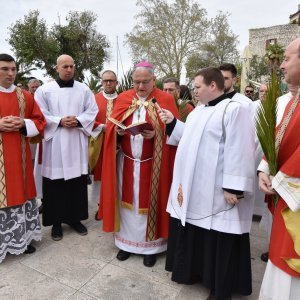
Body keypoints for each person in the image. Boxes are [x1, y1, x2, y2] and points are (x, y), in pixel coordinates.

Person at [160, 67, 256, 299]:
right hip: (194, 187)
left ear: (213, 86)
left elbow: (241, 148)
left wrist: (233, 186)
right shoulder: (197, 111)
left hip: (217, 190)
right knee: (197, 231)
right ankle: (194, 272)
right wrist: (173, 122)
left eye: (198, 86)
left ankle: (219, 285)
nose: (194, 91)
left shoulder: (235, 110)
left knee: (219, 235)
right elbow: (190, 136)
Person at [99, 61, 179, 267]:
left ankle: (151, 248)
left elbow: (178, 134)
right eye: (136, 82)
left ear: (154, 80)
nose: (141, 87)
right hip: (126, 163)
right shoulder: (125, 98)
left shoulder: (166, 99)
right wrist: (117, 132)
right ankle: (126, 245)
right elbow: (111, 127)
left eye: (145, 82)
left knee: (150, 204)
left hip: (154, 166)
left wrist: (157, 134)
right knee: (128, 207)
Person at [34, 54, 98, 241]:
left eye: (71, 66)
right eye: (65, 66)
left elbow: (92, 111)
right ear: (57, 68)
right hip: (55, 143)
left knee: (76, 183)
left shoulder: (84, 89)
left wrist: (78, 120)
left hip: (76, 141)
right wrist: (59, 121)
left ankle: (75, 219)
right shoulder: (44, 90)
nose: (69, 69)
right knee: (55, 184)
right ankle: (56, 223)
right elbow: (39, 113)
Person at [258, 38, 300, 299]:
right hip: (286, 193)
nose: (281, 65)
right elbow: (279, 134)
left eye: (286, 58)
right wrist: (265, 168)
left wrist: (280, 179)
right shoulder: (295, 99)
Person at [0, 53, 46, 262]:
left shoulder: (25, 96)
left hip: (20, 159)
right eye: (5, 69)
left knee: (21, 193)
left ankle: (22, 239)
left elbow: (40, 121)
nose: (11, 73)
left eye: (13, 69)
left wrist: (24, 124)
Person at [92, 70, 118, 220]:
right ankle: (100, 206)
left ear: (116, 82)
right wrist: (102, 127)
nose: (108, 83)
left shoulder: (124, 99)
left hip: (119, 144)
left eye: (111, 80)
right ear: (102, 82)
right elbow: (88, 120)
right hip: (100, 143)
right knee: (100, 177)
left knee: (118, 175)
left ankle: (116, 206)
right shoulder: (94, 99)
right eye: (105, 80)